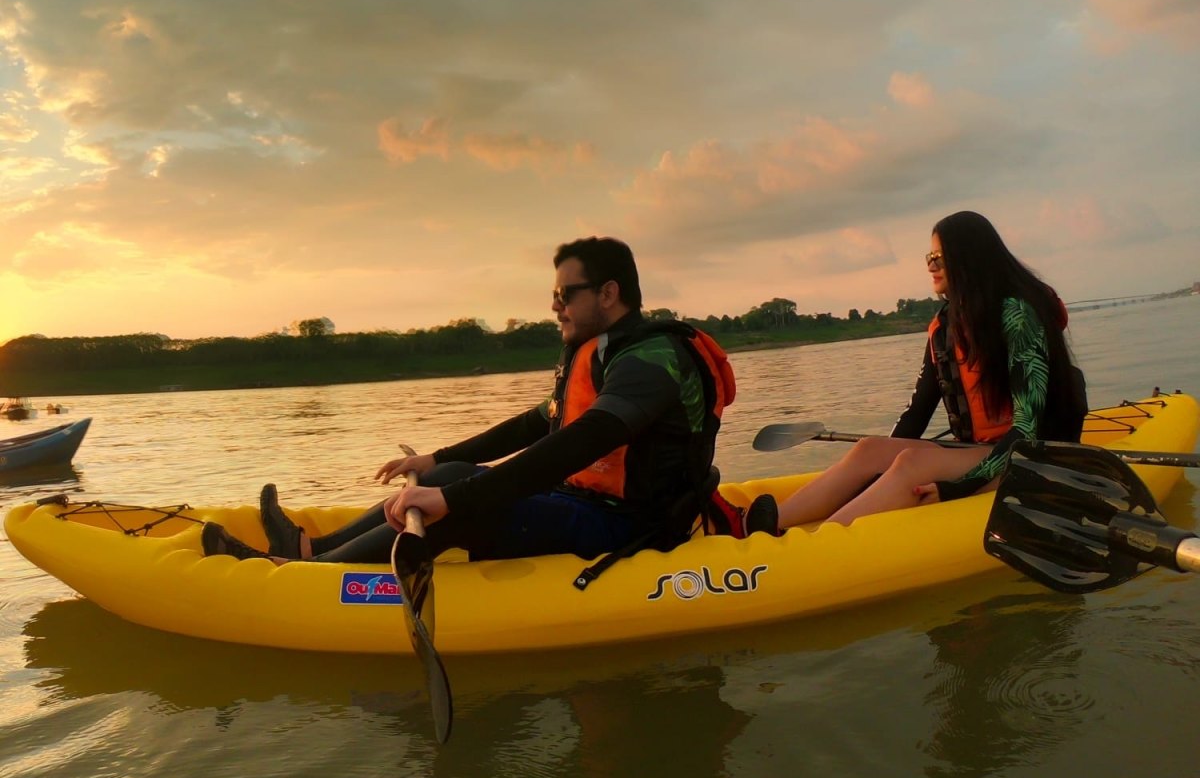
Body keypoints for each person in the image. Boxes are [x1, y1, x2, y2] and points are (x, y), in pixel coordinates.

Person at [201, 236, 734, 564]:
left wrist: (457, 502)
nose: (555, 307)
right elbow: (539, 423)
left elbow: (584, 441)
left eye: (563, 295)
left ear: (608, 293)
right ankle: (311, 550)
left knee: (456, 505)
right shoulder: (606, 352)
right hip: (588, 504)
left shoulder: (652, 360)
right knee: (449, 474)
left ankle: (303, 577)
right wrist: (434, 463)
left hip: (630, 525)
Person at [747, 210, 1087, 534]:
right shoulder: (946, 327)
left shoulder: (1017, 317)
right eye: (929, 257)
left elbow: (1026, 429)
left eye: (939, 258)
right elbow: (917, 413)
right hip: (980, 452)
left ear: (968, 259)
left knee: (912, 463)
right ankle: (765, 525)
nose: (931, 266)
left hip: (1031, 457)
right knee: (870, 449)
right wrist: (877, 473)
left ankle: (815, 546)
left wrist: (956, 487)